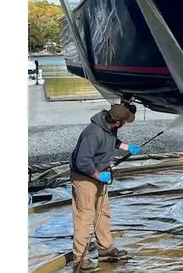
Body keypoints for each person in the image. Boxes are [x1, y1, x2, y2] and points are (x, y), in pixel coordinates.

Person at [69, 101, 140, 271]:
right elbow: (82, 161)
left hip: (99, 176)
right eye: (124, 122)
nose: (123, 125)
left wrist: (127, 147)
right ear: (117, 121)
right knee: (85, 218)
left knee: (102, 213)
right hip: (84, 178)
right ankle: (80, 258)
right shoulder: (93, 133)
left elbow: (113, 141)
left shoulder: (109, 127)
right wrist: (98, 175)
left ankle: (105, 249)